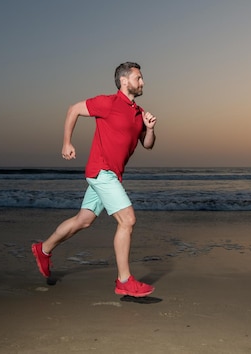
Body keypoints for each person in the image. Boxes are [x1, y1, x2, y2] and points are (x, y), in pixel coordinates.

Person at [31, 62, 157, 297]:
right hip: (102, 171)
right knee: (127, 220)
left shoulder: (139, 113)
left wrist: (149, 129)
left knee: (83, 220)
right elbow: (74, 109)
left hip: (112, 175)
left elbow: (148, 145)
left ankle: (44, 249)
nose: (143, 82)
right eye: (138, 78)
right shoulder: (108, 103)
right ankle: (124, 280)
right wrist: (67, 142)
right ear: (124, 81)